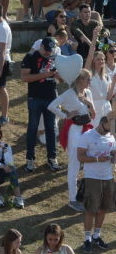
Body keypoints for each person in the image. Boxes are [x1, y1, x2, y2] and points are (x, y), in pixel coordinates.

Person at [47, 69, 96, 212]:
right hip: (74, 130)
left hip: (87, 130)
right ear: (80, 79)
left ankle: (83, 195)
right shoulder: (69, 93)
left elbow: (93, 115)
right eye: (88, 79)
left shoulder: (88, 93)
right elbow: (51, 106)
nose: (89, 82)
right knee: (74, 165)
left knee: (88, 163)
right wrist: (65, 116)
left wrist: (89, 104)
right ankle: (72, 199)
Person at [21, 37, 64, 177]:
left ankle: (52, 157)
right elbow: (24, 77)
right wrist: (45, 74)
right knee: (33, 128)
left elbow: (63, 79)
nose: (47, 53)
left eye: (50, 50)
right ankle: (30, 159)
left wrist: (59, 75)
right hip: (35, 97)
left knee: (51, 129)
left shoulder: (56, 57)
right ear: (41, 46)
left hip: (51, 97)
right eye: (46, 49)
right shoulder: (30, 56)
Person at [76, 116, 114, 252]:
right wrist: (98, 159)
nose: (109, 130)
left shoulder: (112, 137)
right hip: (92, 177)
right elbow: (80, 156)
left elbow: (113, 154)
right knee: (90, 210)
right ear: (103, 123)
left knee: (103, 208)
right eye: (108, 127)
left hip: (108, 177)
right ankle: (87, 238)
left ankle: (97, 235)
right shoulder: (88, 136)